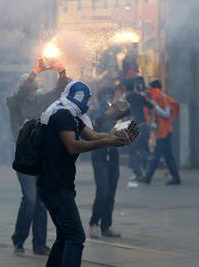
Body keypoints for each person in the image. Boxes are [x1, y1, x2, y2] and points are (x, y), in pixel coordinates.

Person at [38, 81, 131, 267]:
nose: (88, 103)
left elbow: (94, 135)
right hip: (55, 185)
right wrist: (107, 142)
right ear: (78, 96)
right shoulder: (62, 114)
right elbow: (73, 146)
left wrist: (113, 136)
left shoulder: (71, 114)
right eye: (86, 98)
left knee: (65, 235)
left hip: (57, 183)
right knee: (76, 237)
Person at [7, 59, 69, 256]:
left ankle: (39, 244)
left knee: (41, 201)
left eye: (34, 84)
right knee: (30, 199)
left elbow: (62, 89)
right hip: (24, 156)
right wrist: (35, 71)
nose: (33, 88)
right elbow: (20, 94)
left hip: (42, 156)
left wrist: (61, 70)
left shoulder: (42, 102)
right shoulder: (14, 103)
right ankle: (19, 240)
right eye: (30, 85)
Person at [89, 87, 129, 239]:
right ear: (100, 98)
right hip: (99, 154)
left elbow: (124, 130)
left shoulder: (117, 113)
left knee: (111, 191)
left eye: (109, 96)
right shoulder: (95, 113)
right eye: (105, 96)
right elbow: (95, 125)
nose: (108, 99)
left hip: (113, 155)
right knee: (102, 190)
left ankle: (106, 225)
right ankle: (94, 223)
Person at [137, 80, 181, 185]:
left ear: (154, 88)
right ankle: (176, 178)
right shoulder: (160, 97)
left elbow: (166, 114)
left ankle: (148, 177)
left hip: (164, 132)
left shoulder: (160, 97)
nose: (149, 91)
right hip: (165, 130)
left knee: (156, 155)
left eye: (150, 88)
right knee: (168, 156)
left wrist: (154, 106)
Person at [124, 78, 154, 180]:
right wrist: (152, 122)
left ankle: (139, 174)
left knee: (132, 151)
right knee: (143, 148)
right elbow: (152, 107)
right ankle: (147, 168)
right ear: (134, 86)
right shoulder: (140, 97)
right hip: (144, 125)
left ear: (124, 87)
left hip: (134, 127)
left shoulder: (126, 98)